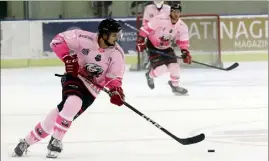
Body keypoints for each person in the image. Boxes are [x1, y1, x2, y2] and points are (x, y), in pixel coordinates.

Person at [12, 18, 126, 158]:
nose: (117, 38)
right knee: (74, 101)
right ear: (104, 34)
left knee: (57, 116)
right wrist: (67, 58)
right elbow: (57, 41)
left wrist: (116, 92)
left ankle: (26, 142)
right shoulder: (83, 37)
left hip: (91, 91)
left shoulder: (117, 53)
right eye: (114, 35)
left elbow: (114, 78)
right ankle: (56, 140)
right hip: (74, 77)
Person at [136, 3, 192, 95]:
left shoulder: (182, 26)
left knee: (175, 68)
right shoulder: (160, 19)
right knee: (161, 69)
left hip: (166, 47)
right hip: (153, 45)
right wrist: (141, 40)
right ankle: (149, 75)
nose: (176, 14)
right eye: (174, 11)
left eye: (178, 12)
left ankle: (175, 86)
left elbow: (183, 42)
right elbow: (146, 28)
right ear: (171, 12)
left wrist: (185, 52)